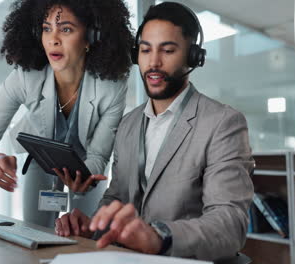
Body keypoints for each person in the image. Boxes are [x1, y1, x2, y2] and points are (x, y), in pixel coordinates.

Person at [54, 2, 255, 261]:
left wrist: (159, 237)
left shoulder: (223, 123)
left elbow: (230, 225)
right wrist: (92, 226)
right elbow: (117, 198)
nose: (153, 62)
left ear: (193, 57)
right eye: (145, 50)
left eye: (168, 50)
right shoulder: (128, 124)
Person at [0, 0, 133, 228]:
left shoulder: (111, 87)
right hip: (40, 162)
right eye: (46, 29)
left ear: (91, 37)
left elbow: (98, 156)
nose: (53, 39)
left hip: (86, 169)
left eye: (66, 29)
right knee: (36, 235)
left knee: (86, 237)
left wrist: (83, 178)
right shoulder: (26, 77)